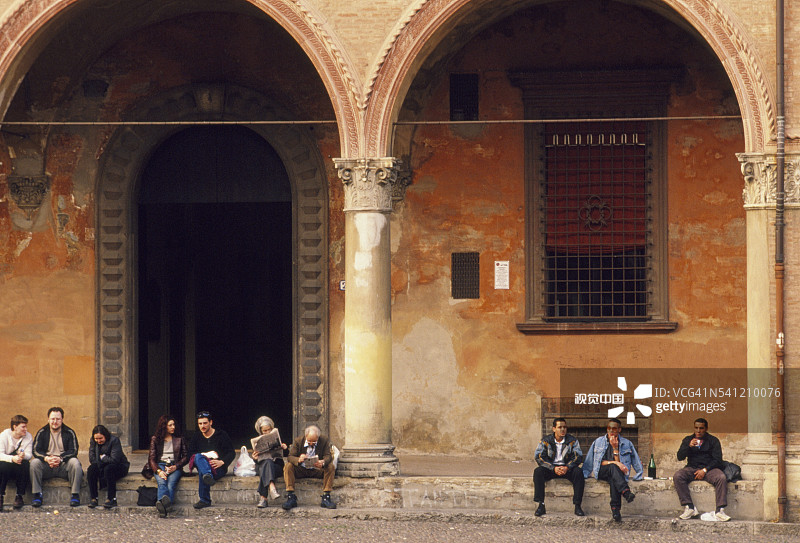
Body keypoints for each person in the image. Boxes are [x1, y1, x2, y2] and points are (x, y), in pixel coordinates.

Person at [582, 418, 643, 522]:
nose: (611, 431)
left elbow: (635, 460)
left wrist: (615, 448)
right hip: (602, 471)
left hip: (616, 474)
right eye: (609, 428)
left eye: (614, 428)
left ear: (619, 430)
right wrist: (585, 474)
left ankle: (615, 510)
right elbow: (596, 462)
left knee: (613, 479)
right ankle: (626, 492)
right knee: (613, 467)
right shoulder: (598, 442)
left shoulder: (626, 443)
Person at [674, 417, 730, 522]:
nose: (698, 431)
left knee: (721, 477)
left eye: (701, 428)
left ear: (706, 428)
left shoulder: (713, 440)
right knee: (678, 476)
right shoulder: (688, 439)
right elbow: (680, 457)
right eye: (696, 428)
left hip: (709, 469)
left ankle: (720, 511)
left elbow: (718, 460)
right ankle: (690, 507)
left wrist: (704, 470)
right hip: (692, 468)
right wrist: (688, 446)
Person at [30, 407, 83, 507]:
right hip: (47, 465)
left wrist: (61, 458)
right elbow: (36, 450)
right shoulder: (42, 432)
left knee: (75, 463)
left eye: (58, 419)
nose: (55, 422)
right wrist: (47, 458)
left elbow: (74, 451)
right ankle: (37, 494)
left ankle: (75, 495)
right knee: (34, 463)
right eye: (52, 419)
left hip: (63, 465)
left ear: (62, 419)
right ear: (48, 419)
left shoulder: (69, 432)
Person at [533, 417, 585, 517]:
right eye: (559, 427)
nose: (563, 429)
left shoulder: (572, 441)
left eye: (564, 427)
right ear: (554, 429)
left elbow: (578, 457)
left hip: (566, 468)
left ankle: (577, 505)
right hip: (551, 468)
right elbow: (539, 457)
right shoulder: (546, 441)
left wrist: (567, 467)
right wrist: (553, 468)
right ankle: (541, 505)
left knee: (578, 472)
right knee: (538, 472)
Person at [187, 410, 235, 509]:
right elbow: (190, 455)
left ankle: (205, 500)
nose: (202, 426)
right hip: (203, 465)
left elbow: (231, 452)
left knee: (203, 472)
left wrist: (222, 462)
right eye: (200, 424)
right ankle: (207, 475)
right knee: (198, 457)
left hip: (217, 468)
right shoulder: (196, 436)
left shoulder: (221, 435)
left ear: (211, 422)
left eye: (205, 423)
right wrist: (204, 456)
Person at [282, 425, 336, 510]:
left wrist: (322, 462)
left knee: (330, 466)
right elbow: (290, 457)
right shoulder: (298, 441)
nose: (311, 443)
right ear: (306, 436)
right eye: (309, 441)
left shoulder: (324, 440)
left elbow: (328, 456)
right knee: (288, 466)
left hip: (317, 470)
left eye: (314, 442)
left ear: (318, 438)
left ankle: (326, 496)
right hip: (301, 469)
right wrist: (299, 459)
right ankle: (291, 496)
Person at [148, 415, 189, 517]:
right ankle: (166, 508)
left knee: (171, 484)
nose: (173, 427)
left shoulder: (179, 439)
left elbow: (186, 457)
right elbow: (151, 459)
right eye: (170, 425)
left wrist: (176, 466)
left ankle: (161, 507)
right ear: (164, 426)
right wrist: (158, 471)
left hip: (175, 465)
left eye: (173, 425)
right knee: (162, 482)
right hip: (160, 465)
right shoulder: (155, 439)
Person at [86, 424, 130, 509]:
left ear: (105, 436)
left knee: (108, 469)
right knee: (91, 469)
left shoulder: (114, 440)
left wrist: (103, 457)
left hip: (119, 466)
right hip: (102, 465)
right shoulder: (93, 441)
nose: (98, 441)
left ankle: (111, 498)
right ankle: (94, 498)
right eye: (96, 439)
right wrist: (101, 462)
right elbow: (92, 458)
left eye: (100, 438)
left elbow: (115, 460)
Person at [251, 415, 287, 508]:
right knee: (267, 463)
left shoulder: (278, 437)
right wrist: (255, 458)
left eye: (269, 430)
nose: (267, 432)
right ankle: (271, 487)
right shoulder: (258, 441)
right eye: (264, 431)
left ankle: (263, 498)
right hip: (262, 467)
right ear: (260, 431)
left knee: (267, 465)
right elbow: (257, 462)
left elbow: (287, 455)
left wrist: (285, 448)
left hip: (276, 467)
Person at [0, 414, 33, 511]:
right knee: (2, 465)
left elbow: (29, 455)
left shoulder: (28, 437)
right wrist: (12, 459)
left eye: (26, 427)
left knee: (26, 465)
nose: (26, 429)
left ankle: (19, 496)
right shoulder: (4, 436)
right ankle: (0, 495)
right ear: (15, 427)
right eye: (23, 427)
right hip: (7, 464)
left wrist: (23, 455)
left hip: (19, 465)